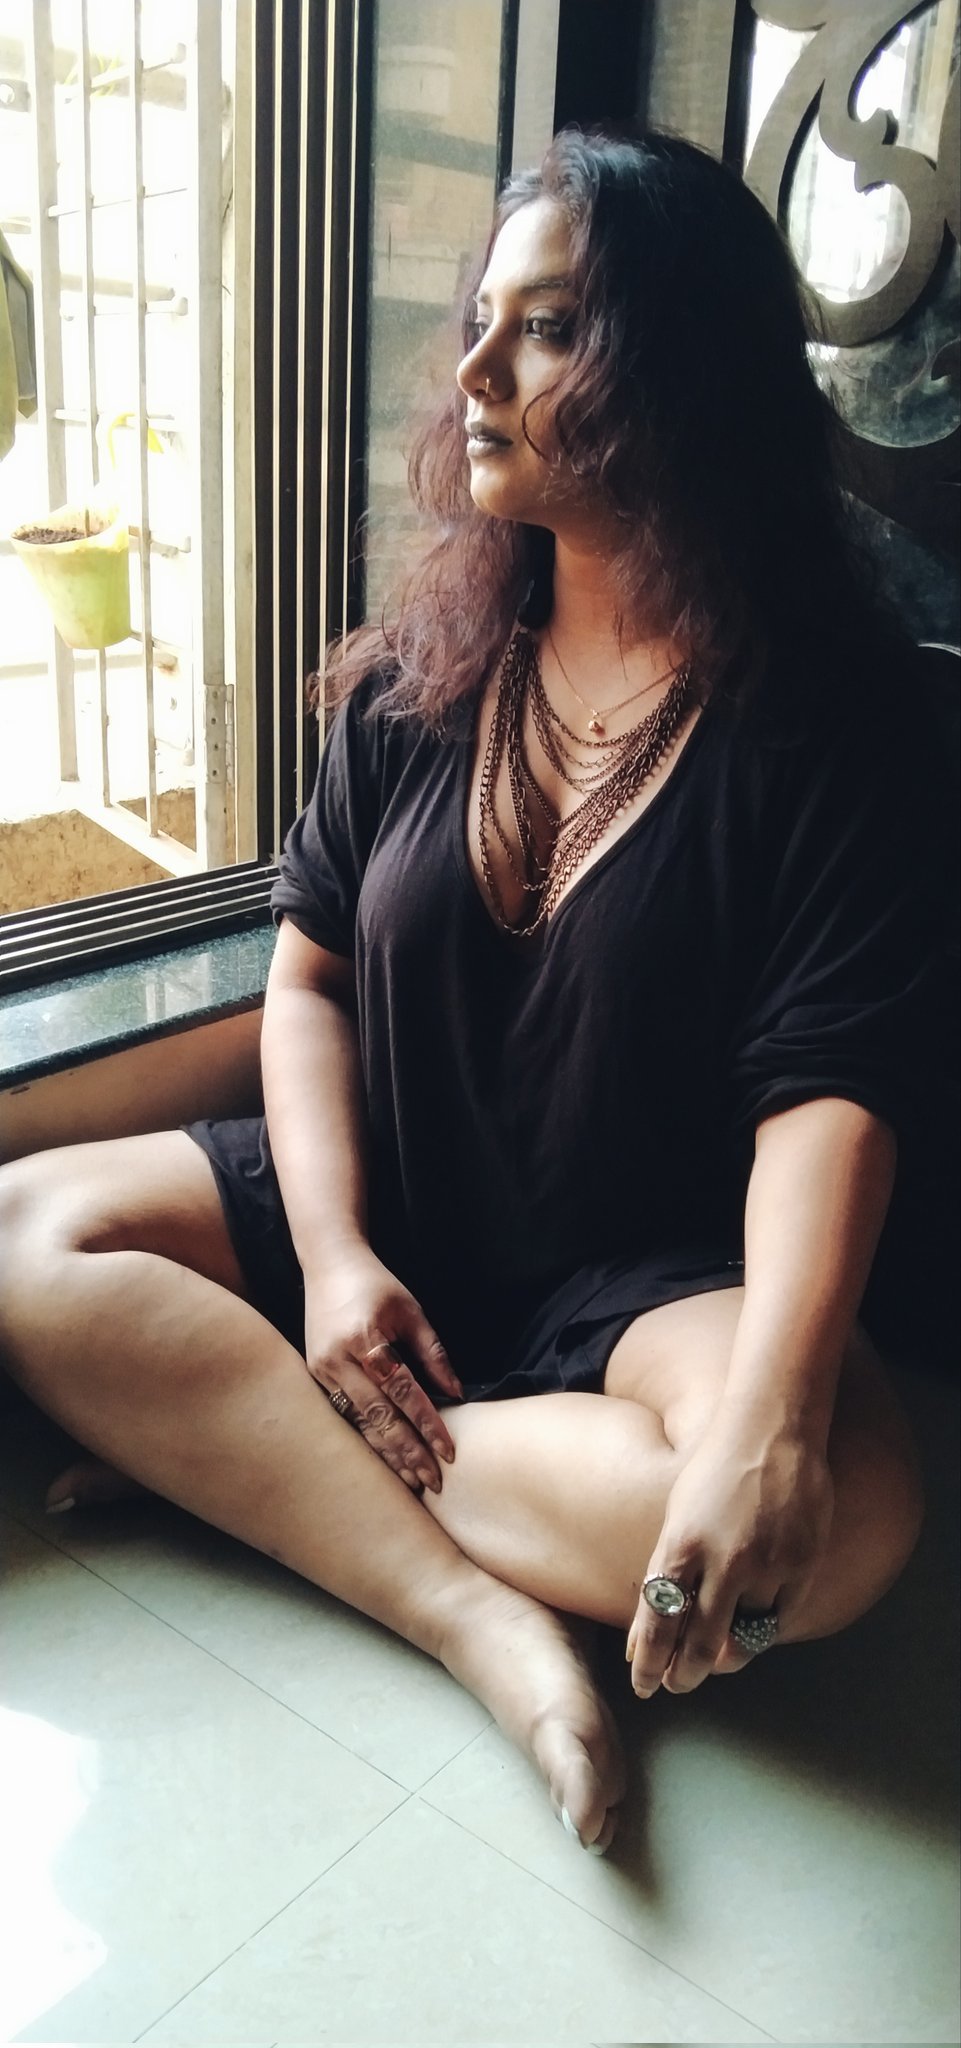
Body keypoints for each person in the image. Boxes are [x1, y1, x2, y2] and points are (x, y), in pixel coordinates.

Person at [0, 126, 943, 1857]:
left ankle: (247, 1455)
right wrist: (335, 1258)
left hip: (647, 1278)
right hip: (397, 1210)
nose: (478, 370)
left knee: (849, 1517)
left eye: (551, 326)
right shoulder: (424, 667)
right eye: (480, 321)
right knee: (20, 1232)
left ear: (684, 364)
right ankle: (471, 1618)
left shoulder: (836, 720)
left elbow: (829, 1093)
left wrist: (770, 1420)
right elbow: (306, 985)